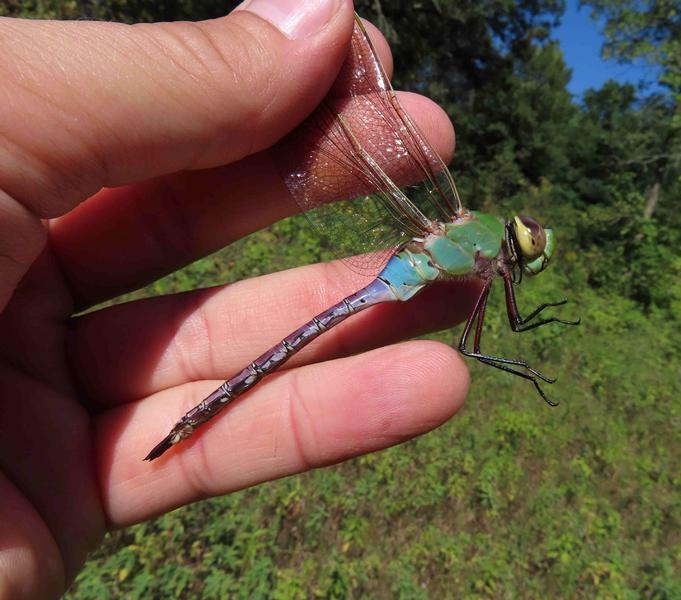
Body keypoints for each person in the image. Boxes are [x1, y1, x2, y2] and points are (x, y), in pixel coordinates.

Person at [0, 1, 472, 596]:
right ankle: (188, 424)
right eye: (525, 241)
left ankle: (186, 425)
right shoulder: (475, 248)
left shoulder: (477, 257)